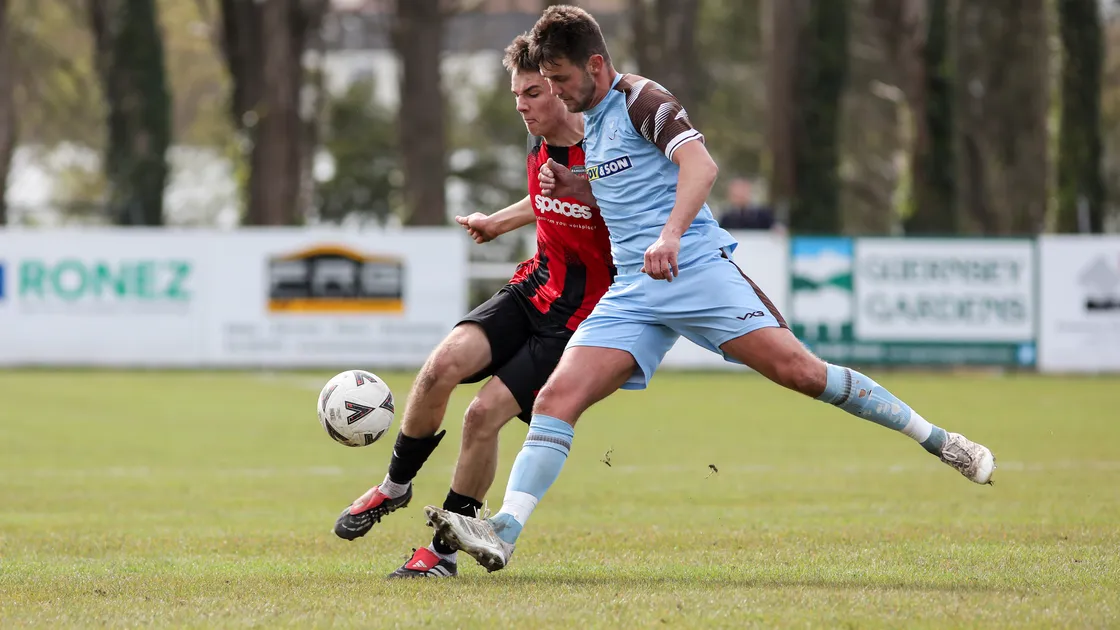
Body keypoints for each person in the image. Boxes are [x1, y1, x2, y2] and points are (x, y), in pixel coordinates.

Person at [424, 5, 996, 573]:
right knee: (553, 402)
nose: (554, 93)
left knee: (804, 374)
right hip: (633, 290)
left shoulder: (643, 100)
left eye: (562, 81)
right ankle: (504, 530)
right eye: (545, 83)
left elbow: (702, 167)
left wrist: (671, 236)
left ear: (596, 65)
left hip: (696, 272)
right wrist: (576, 182)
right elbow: (624, 189)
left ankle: (939, 439)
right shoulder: (588, 122)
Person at [332, 33, 614, 579]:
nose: (524, 106)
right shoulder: (538, 141)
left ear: (561, 87)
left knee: (482, 416)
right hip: (531, 290)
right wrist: (498, 221)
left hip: (576, 322)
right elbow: (545, 195)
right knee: (441, 366)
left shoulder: (605, 149)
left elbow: (619, 199)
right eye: (517, 96)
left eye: (534, 92)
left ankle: (442, 554)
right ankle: (393, 488)